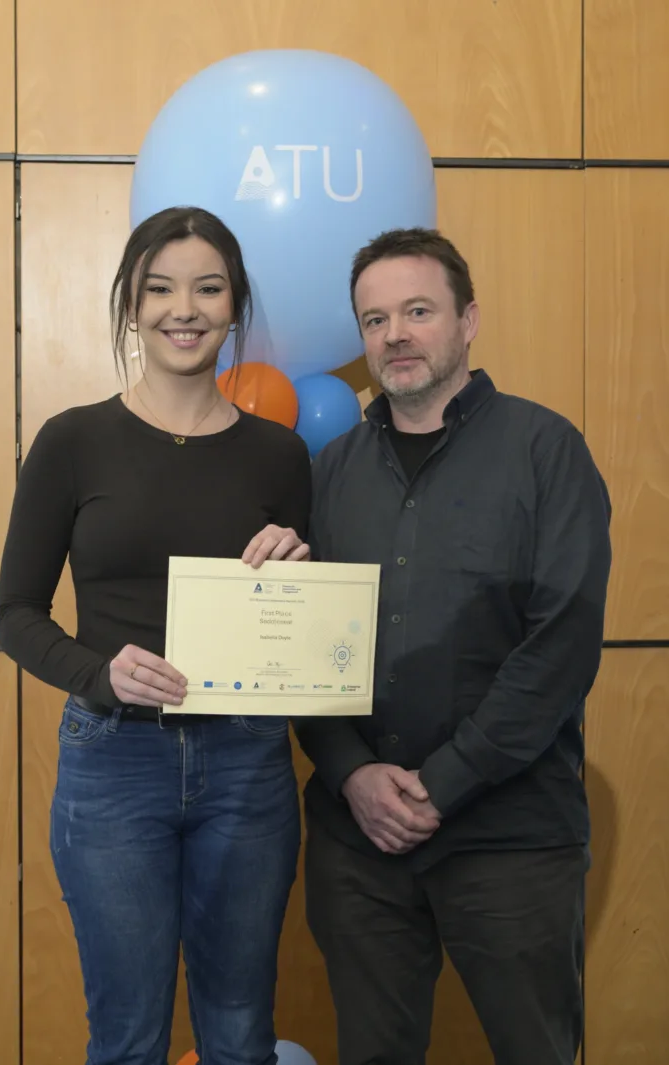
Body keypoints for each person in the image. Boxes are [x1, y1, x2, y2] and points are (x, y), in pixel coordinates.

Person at [0, 206, 311, 1065]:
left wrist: (295, 568)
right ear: (132, 304)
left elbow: (304, 632)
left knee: (241, 1031)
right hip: (112, 763)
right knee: (128, 1035)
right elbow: (15, 612)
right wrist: (99, 672)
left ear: (234, 307)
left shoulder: (280, 456)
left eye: (208, 288)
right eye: (160, 288)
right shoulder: (71, 441)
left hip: (248, 763)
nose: (185, 307)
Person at [294, 227, 611, 1065]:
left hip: (509, 836)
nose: (394, 333)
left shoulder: (547, 451)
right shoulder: (328, 473)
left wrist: (441, 785)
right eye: (374, 319)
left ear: (468, 321)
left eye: (418, 310)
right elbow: (302, 651)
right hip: (357, 844)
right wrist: (352, 773)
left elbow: (563, 643)